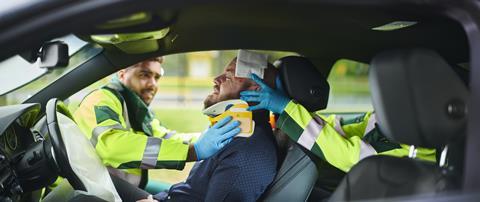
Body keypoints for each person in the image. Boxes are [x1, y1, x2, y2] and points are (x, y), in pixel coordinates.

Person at [240, 57, 436, 192]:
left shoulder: (419, 150)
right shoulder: (390, 120)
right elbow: (337, 128)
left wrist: (286, 107)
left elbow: (349, 155)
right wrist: (284, 115)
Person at [73, 56, 241, 191]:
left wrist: (208, 136)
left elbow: (165, 137)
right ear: (122, 73)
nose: (153, 84)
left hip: (120, 187)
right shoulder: (101, 99)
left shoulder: (136, 108)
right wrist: (192, 152)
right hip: (90, 189)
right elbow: (112, 146)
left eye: (156, 77)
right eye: (144, 75)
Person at [150, 57, 279, 201]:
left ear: (255, 91)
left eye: (229, 76)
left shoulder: (248, 154)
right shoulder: (231, 134)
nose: (216, 79)